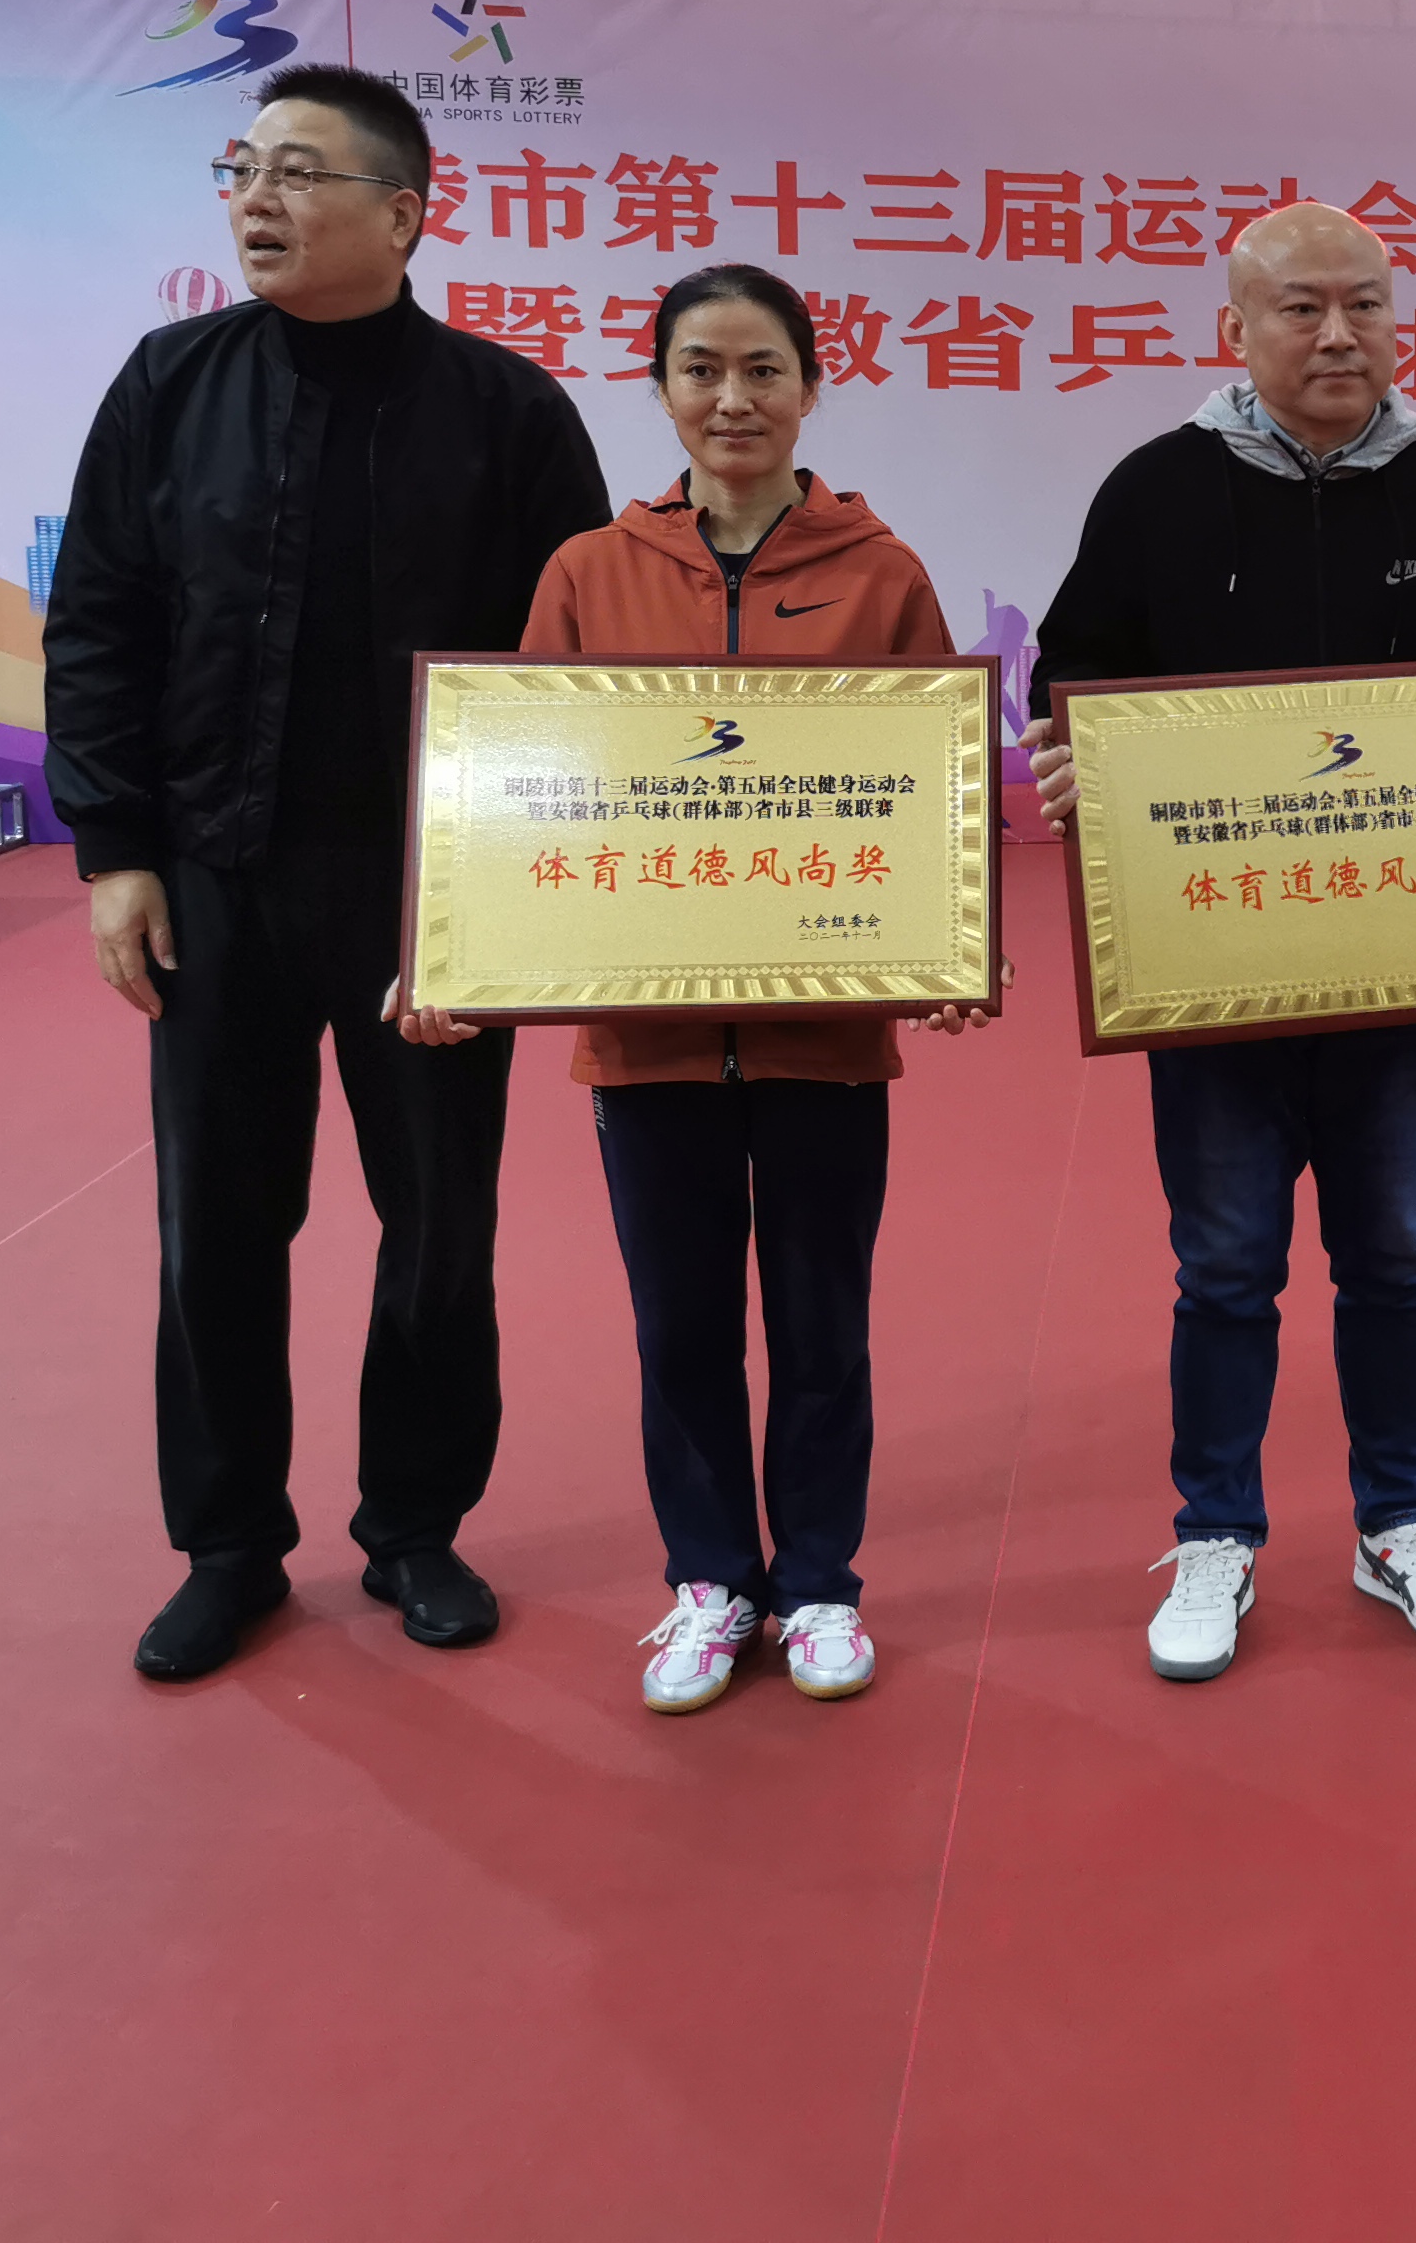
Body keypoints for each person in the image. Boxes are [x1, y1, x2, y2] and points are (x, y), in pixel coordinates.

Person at [45, 65, 607, 1681]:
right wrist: (115, 853)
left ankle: (415, 1526)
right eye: (243, 168)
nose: (256, 199)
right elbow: (99, 620)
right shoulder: (170, 384)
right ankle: (229, 1546)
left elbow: (567, 674)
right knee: (218, 1222)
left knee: (437, 1221)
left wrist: (513, 900)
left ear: (404, 213)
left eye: (297, 171)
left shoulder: (509, 414)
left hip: (431, 896)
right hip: (213, 881)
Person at [399, 263, 999, 1713]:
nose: (733, 400)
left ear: (811, 386)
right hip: (645, 1039)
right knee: (678, 1329)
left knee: (822, 1325)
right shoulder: (586, 572)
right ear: (661, 387)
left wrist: (959, 945)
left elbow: (937, 793)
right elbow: (524, 787)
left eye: (763, 370)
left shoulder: (883, 573)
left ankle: (823, 1584)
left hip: (827, 1040)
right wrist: (455, 950)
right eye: (702, 370)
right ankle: (713, 1582)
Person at [1021, 203, 1416, 1683]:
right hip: (1216, 962)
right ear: (1235, 330)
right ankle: (1217, 1533)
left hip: (1399, 962)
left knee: (1393, 1256)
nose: (1337, 335)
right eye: (1300, 308)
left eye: (1364, 305)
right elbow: (1075, 669)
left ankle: (1402, 1520)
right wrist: (1075, 752)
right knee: (1225, 1266)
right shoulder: (1155, 488)